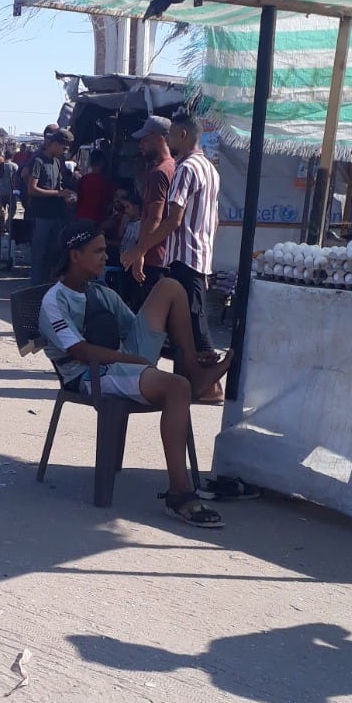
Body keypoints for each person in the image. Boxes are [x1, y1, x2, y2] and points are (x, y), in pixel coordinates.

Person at [38, 221, 227, 528]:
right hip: (89, 375)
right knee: (177, 388)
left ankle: (194, 366)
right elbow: (81, 352)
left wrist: (176, 352)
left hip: (121, 363)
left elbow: (137, 332)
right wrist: (133, 360)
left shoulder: (101, 293)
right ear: (75, 256)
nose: (104, 256)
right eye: (98, 251)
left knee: (170, 286)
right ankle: (180, 493)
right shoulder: (54, 302)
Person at [122, 112, 220, 360]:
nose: (169, 138)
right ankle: (193, 379)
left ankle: (208, 383)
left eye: (171, 134)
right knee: (187, 322)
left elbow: (170, 219)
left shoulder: (184, 169)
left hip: (183, 258)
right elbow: (215, 219)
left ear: (183, 135)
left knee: (193, 323)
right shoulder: (209, 168)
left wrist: (138, 250)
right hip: (199, 254)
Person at [120, 116, 176, 295]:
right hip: (169, 255)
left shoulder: (159, 172)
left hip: (155, 257)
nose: (140, 145)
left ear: (160, 138)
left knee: (150, 316)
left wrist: (140, 253)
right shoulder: (175, 167)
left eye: (145, 140)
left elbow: (154, 216)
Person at [26, 127, 75, 285]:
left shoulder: (57, 162)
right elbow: (32, 189)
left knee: (53, 256)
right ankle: (35, 290)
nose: (64, 151)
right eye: (64, 147)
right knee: (39, 257)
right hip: (41, 216)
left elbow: (58, 185)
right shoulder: (38, 160)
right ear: (55, 143)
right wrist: (57, 194)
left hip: (56, 215)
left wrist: (66, 196)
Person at [74, 149, 117, 223]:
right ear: (103, 163)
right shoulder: (106, 181)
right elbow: (111, 200)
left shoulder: (84, 179)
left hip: (81, 216)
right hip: (98, 219)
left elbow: (79, 198)